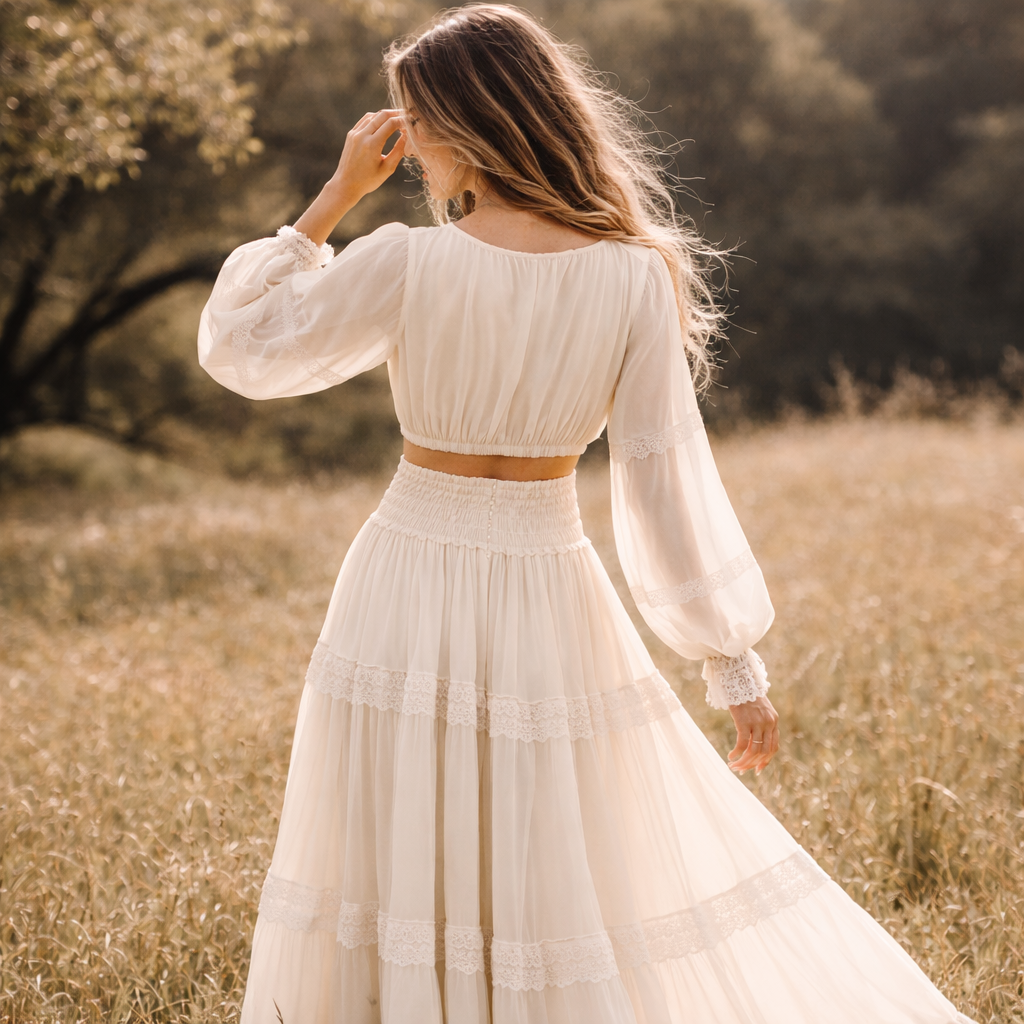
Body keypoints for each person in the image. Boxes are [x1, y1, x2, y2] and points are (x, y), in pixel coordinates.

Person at [197, 6, 976, 1023]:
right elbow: (660, 477)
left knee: (405, 833)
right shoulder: (630, 271)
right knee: (545, 841)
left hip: (406, 566)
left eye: (417, 121)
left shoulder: (403, 258)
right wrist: (726, 655)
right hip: (542, 573)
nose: (409, 144)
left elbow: (243, 345)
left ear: (469, 123)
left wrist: (336, 196)